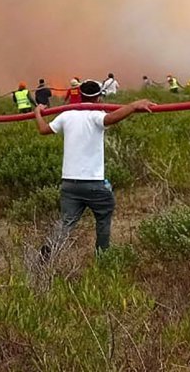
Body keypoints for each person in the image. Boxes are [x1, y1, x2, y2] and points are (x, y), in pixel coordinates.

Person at [34, 80, 154, 256]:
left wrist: (37, 113)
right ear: (98, 97)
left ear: (79, 95)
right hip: (93, 184)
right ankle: (102, 257)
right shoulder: (96, 114)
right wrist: (133, 106)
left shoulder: (67, 115)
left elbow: (43, 129)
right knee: (103, 219)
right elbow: (111, 118)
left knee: (66, 223)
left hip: (69, 183)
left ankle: (47, 254)